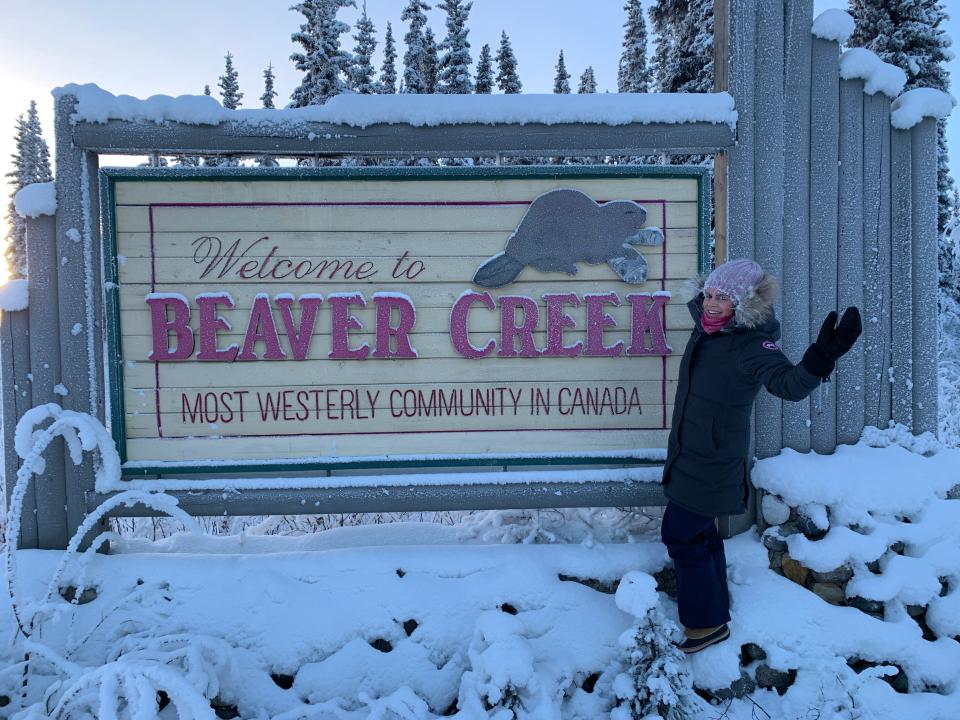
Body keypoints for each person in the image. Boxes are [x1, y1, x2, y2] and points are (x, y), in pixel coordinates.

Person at [660, 258, 862, 653]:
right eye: (710, 294)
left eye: (724, 298)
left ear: (746, 303)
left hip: (712, 461)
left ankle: (704, 625)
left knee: (681, 534)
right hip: (688, 452)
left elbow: (789, 385)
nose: (712, 304)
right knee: (700, 535)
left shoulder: (751, 346)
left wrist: (820, 359)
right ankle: (715, 611)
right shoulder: (708, 333)